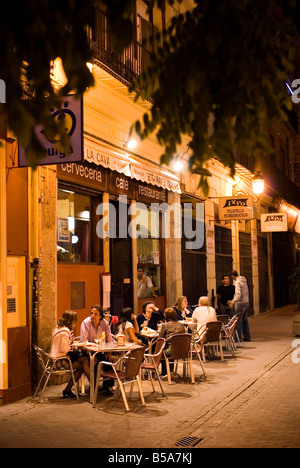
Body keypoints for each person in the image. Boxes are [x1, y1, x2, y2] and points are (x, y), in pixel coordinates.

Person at [50, 310, 90, 399]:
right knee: (85, 364)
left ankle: (68, 390)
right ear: (71, 320)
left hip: (56, 357)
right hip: (60, 360)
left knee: (84, 361)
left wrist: (72, 345)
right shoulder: (65, 332)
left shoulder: (59, 328)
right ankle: (93, 387)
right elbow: (64, 349)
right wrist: (73, 346)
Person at [80, 305, 114, 395]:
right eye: (91, 313)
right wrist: (91, 351)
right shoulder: (86, 323)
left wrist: (109, 353)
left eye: (95, 314)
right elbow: (84, 341)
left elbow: (109, 338)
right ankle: (94, 387)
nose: (93, 316)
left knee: (108, 361)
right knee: (93, 361)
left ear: (100, 316)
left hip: (100, 350)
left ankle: (107, 387)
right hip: (86, 350)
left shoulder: (104, 323)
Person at [158, 308, 186, 377]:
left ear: (166, 316)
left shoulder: (165, 325)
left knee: (161, 353)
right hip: (183, 350)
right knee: (169, 349)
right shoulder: (181, 325)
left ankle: (166, 373)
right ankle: (171, 371)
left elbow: (160, 338)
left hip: (171, 350)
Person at [228, 270, 251, 342]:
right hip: (247, 302)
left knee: (238, 320)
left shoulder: (238, 282)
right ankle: (247, 337)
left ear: (232, 276)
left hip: (241, 303)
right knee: (245, 320)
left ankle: (238, 338)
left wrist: (232, 302)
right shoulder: (244, 280)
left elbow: (238, 295)